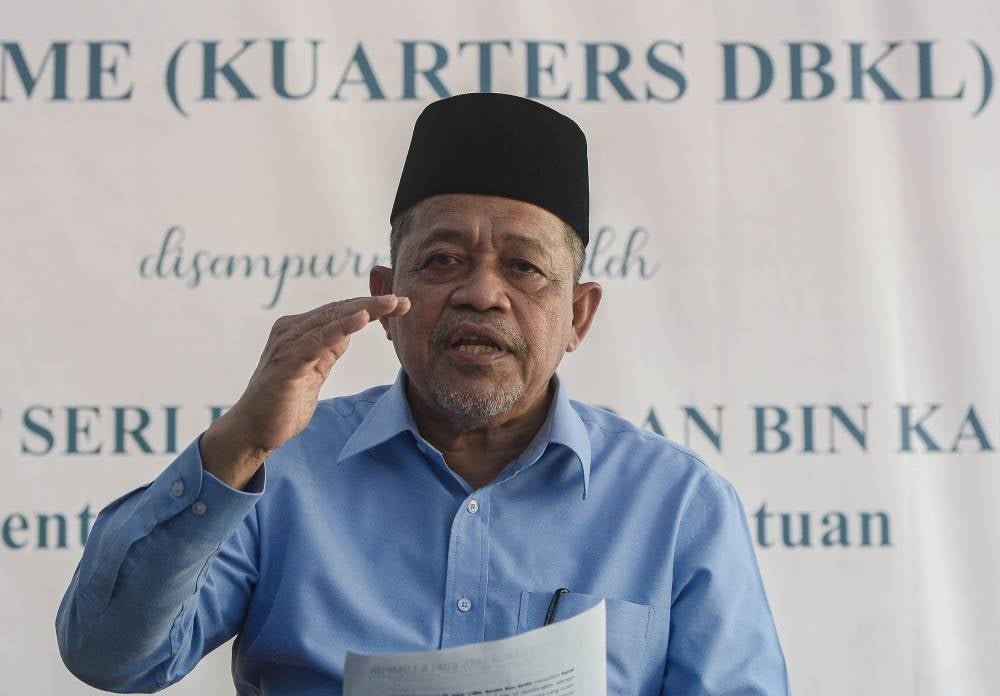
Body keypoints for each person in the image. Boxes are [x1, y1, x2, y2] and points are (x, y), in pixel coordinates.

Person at [56, 93, 789, 695]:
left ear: (580, 315)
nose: (480, 294)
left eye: (525, 268)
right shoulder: (286, 472)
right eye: (442, 259)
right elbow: (110, 655)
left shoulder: (677, 504)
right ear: (386, 294)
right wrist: (243, 441)